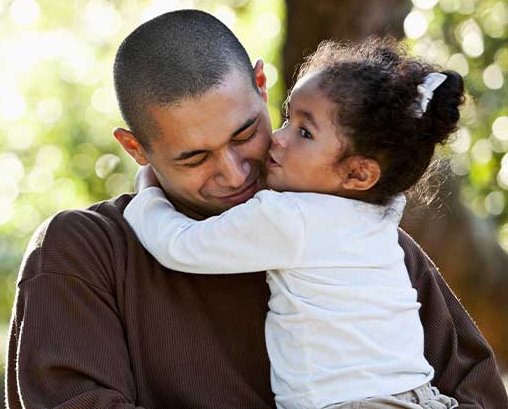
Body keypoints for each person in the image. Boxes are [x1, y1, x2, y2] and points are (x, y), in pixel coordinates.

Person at [4, 10, 508, 409]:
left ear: (264, 88)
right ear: (136, 150)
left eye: (246, 133)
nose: (236, 172)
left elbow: (479, 392)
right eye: (195, 158)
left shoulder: (356, 231)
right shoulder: (84, 252)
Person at [123, 38, 462, 409]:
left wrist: (147, 194)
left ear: (359, 173)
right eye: (287, 119)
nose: (279, 139)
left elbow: (180, 246)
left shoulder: (287, 218)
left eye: (304, 133)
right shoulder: (380, 216)